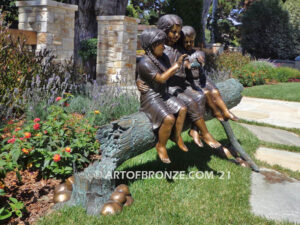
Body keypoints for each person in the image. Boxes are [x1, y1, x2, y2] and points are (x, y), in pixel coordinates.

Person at [137, 28, 188, 164]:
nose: (163, 46)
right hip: (151, 96)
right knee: (169, 118)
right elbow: (161, 78)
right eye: (160, 43)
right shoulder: (145, 62)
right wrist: (176, 66)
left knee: (182, 109)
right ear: (151, 45)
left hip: (163, 93)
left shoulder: (163, 58)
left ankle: (177, 137)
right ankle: (161, 145)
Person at [180, 25, 239, 122]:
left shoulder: (198, 52)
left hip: (202, 79)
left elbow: (201, 65)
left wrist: (200, 63)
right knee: (206, 93)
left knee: (215, 92)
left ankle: (226, 111)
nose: (189, 44)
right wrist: (193, 64)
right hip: (191, 81)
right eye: (186, 42)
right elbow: (187, 66)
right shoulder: (180, 54)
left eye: (191, 41)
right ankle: (215, 112)